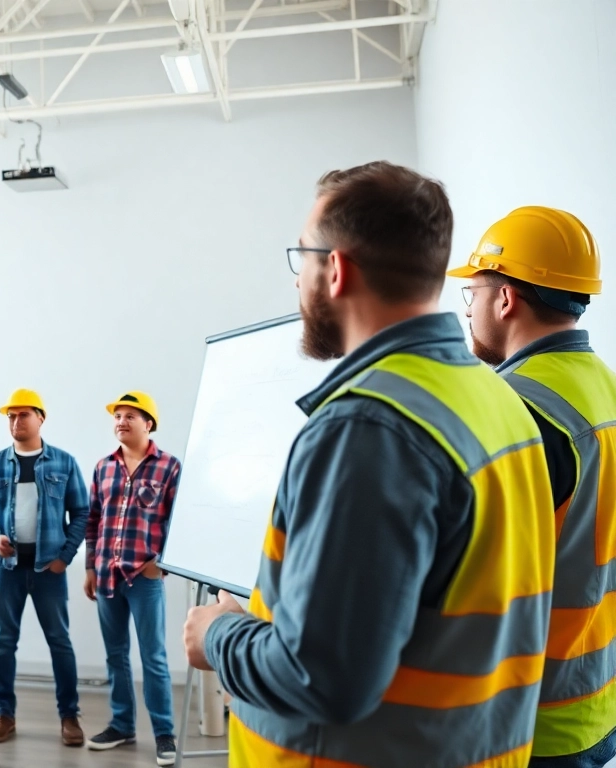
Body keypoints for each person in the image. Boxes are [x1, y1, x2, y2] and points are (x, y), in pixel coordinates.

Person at [182, 161, 556, 767]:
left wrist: (219, 634)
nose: (296, 278)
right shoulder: (493, 397)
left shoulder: (368, 430)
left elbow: (324, 677)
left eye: (301, 257)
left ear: (335, 270)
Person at [451, 206, 616, 767]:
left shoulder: (514, 411)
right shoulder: (605, 388)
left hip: (532, 720)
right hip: (599, 703)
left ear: (505, 299)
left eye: (471, 294)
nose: (467, 310)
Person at [0, 389, 89, 747]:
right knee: (4, 643)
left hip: (48, 571)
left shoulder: (64, 463)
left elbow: (81, 512)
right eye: (10, 416)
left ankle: (69, 716)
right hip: (7, 569)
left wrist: (65, 557)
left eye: (23, 415)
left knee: (60, 642)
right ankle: (3, 714)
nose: (16, 421)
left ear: (41, 418)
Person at [84, 390, 180, 765]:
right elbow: (93, 521)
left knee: (153, 657)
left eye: (130, 416)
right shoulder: (103, 467)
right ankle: (122, 725)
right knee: (115, 655)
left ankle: (164, 734)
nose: (121, 421)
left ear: (148, 424)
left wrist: (161, 563)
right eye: (117, 416)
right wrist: (90, 567)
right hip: (107, 574)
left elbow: (178, 523)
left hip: (145, 578)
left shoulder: (169, 467)